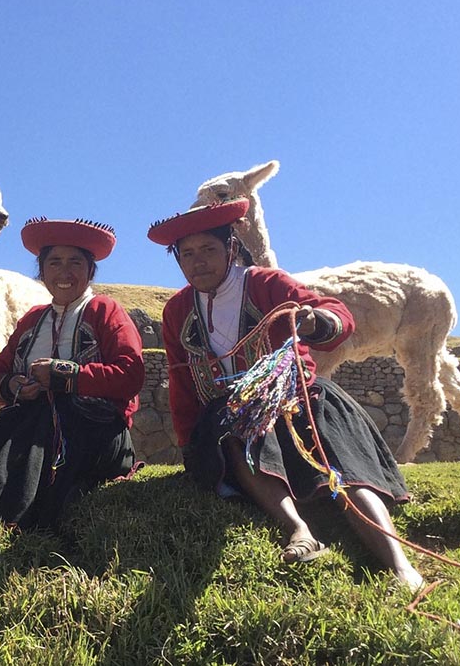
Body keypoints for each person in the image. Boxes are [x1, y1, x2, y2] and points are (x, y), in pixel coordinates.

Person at [148, 201, 423, 589]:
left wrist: (317, 321)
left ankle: (401, 567)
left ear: (230, 248)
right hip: (235, 413)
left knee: (343, 468)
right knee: (230, 431)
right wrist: (189, 443)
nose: (198, 263)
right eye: (187, 255)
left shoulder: (264, 283)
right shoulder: (177, 310)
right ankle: (299, 530)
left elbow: (333, 312)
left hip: (298, 398)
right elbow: (181, 381)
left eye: (208, 250)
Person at [0, 218, 144, 560]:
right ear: (43, 272)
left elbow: (130, 373)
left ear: (90, 271)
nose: (64, 271)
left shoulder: (104, 310)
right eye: (54, 262)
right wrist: (14, 385)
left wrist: (66, 376)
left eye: (75, 262)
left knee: (27, 432)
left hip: (98, 431)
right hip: (35, 424)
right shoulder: (33, 320)